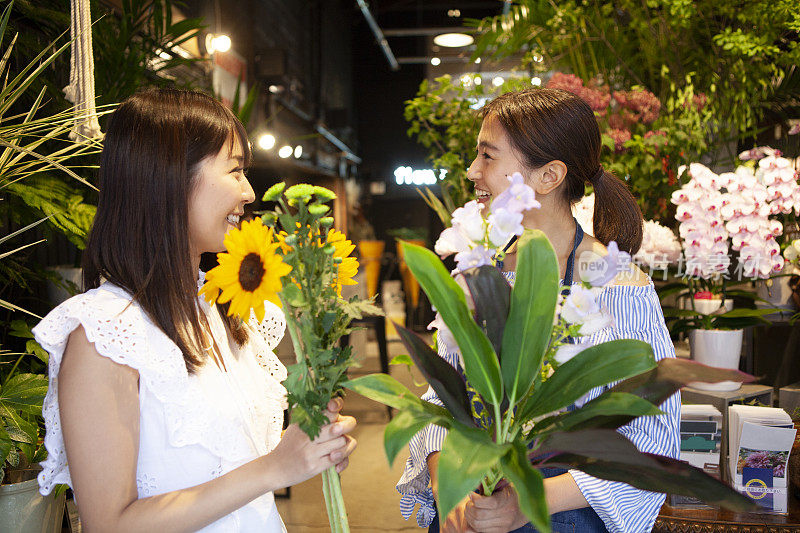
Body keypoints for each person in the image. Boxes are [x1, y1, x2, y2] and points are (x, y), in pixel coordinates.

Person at [32, 88, 357, 532]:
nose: (248, 191)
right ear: (168, 178)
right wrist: (277, 468)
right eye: (236, 170)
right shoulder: (103, 335)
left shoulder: (223, 307)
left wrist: (307, 449)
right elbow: (110, 524)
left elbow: (225, 462)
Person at [396, 88, 680, 533]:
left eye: (488, 157)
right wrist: (443, 482)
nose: (472, 171)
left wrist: (527, 502)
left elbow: (652, 442)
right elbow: (442, 396)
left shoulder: (616, 286)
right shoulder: (479, 272)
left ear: (548, 176)